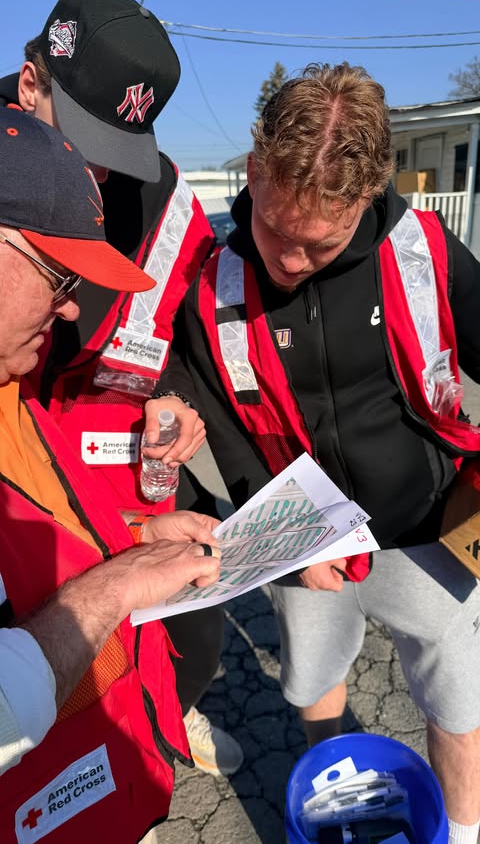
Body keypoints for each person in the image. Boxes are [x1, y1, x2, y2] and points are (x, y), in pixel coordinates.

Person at [149, 62, 480, 844]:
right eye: (272, 229)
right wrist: (286, 537)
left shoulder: (424, 250)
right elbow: (215, 416)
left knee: (461, 704)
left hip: (427, 525)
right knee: (315, 684)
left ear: (365, 197)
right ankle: (335, 811)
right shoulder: (217, 282)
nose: (288, 263)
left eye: (318, 245)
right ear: (257, 169)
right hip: (304, 532)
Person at [0, 0, 243, 778]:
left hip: (110, 467)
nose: (99, 168)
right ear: (31, 84)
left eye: (122, 145)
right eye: (86, 137)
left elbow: (180, 337)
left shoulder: (162, 197)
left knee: (184, 627)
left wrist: (172, 396)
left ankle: (163, 716)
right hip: (20, 470)